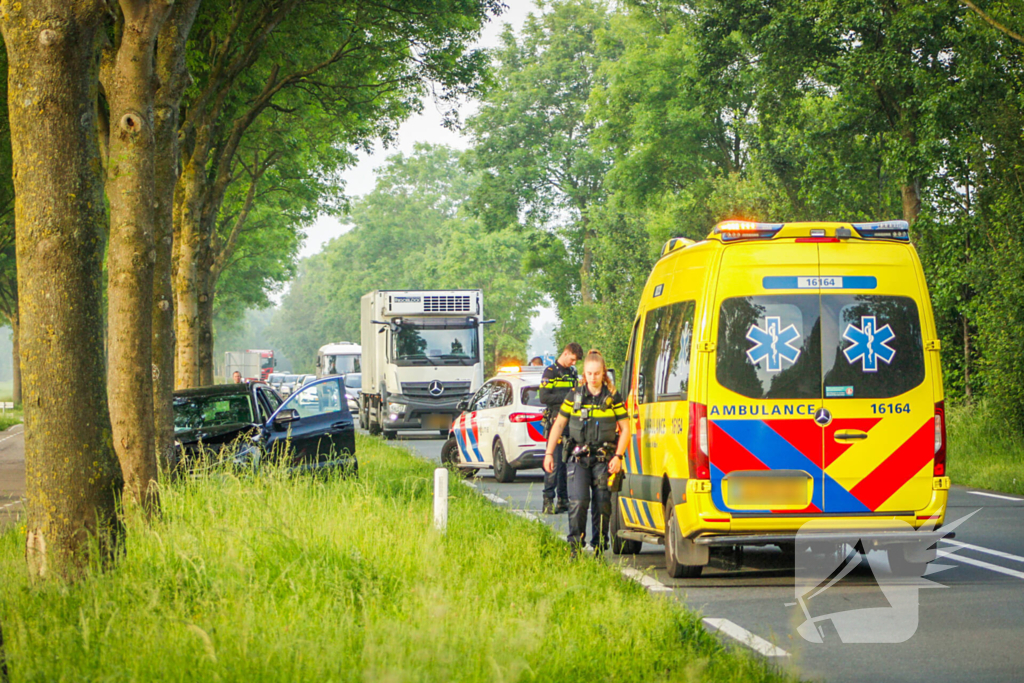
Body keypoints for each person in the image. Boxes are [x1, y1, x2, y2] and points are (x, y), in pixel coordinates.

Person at [543, 349, 628, 556]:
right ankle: (575, 548)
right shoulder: (575, 396)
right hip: (578, 458)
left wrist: (618, 456)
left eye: (597, 374)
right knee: (579, 502)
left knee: (602, 503)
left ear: (603, 373)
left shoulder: (612, 397)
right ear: (584, 374)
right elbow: (559, 423)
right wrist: (548, 453)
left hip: (603, 459)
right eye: (589, 374)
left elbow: (626, 428)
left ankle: (599, 546)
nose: (593, 378)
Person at [539, 342, 583, 514]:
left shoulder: (572, 373)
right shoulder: (550, 372)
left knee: (567, 462)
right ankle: (548, 500)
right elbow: (544, 397)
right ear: (566, 353)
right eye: (572, 359)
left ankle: (563, 500)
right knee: (554, 463)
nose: (574, 363)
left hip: (571, 422)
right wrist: (567, 398)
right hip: (556, 421)